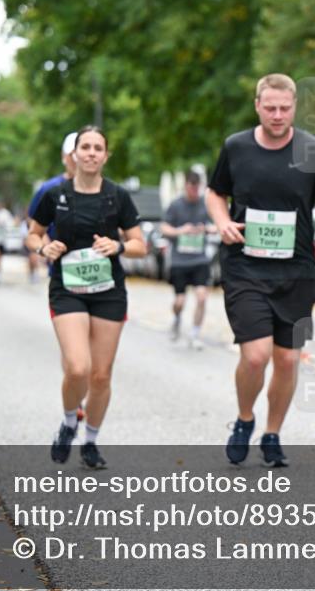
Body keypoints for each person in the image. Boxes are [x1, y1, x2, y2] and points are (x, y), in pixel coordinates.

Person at [206, 73, 315, 468]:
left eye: (285, 108)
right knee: (256, 356)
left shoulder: (312, 149)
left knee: (287, 360)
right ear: (257, 106)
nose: (277, 115)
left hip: (297, 271)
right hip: (244, 267)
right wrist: (222, 221)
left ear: (294, 107)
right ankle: (244, 419)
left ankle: (272, 433)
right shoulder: (236, 147)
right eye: (270, 107)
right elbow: (215, 193)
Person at [26, 126, 145, 470]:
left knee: (101, 376)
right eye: (86, 147)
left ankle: (90, 442)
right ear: (74, 154)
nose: (91, 153)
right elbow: (32, 234)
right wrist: (44, 248)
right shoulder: (55, 195)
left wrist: (118, 246)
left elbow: (140, 245)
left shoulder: (117, 196)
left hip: (108, 292)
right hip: (67, 289)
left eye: (98, 148)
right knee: (79, 367)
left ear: (105, 156)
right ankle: (69, 423)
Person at [162, 170, 216, 349]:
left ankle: (195, 334)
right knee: (180, 301)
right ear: (185, 186)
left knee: (201, 297)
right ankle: (177, 318)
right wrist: (181, 231)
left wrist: (206, 229)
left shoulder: (205, 204)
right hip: (179, 261)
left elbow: (217, 225)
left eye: (196, 188)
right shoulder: (176, 205)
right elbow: (164, 228)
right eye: (191, 187)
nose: (193, 191)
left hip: (200, 260)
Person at [28, 132, 79, 284]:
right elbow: (32, 222)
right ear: (64, 157)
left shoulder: (104, 189)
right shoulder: (50, 188)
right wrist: (46, 246)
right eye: (72, 155)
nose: (76, 159)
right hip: (61, 265)